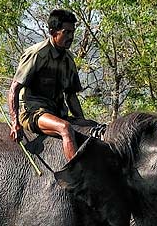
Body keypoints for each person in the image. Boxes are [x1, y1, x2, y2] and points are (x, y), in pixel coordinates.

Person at [7, 9, 93, 161]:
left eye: (72, 32)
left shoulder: (69, 60)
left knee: (94, 128)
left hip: (58, 113)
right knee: (64, 128)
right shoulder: (36, 54)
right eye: (66, 32)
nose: (71, 37)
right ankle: (76, 176)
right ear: (53, 32)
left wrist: (82, 122)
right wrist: (15, 123)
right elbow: (14, 89)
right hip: (33, 113)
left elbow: (71, 96)